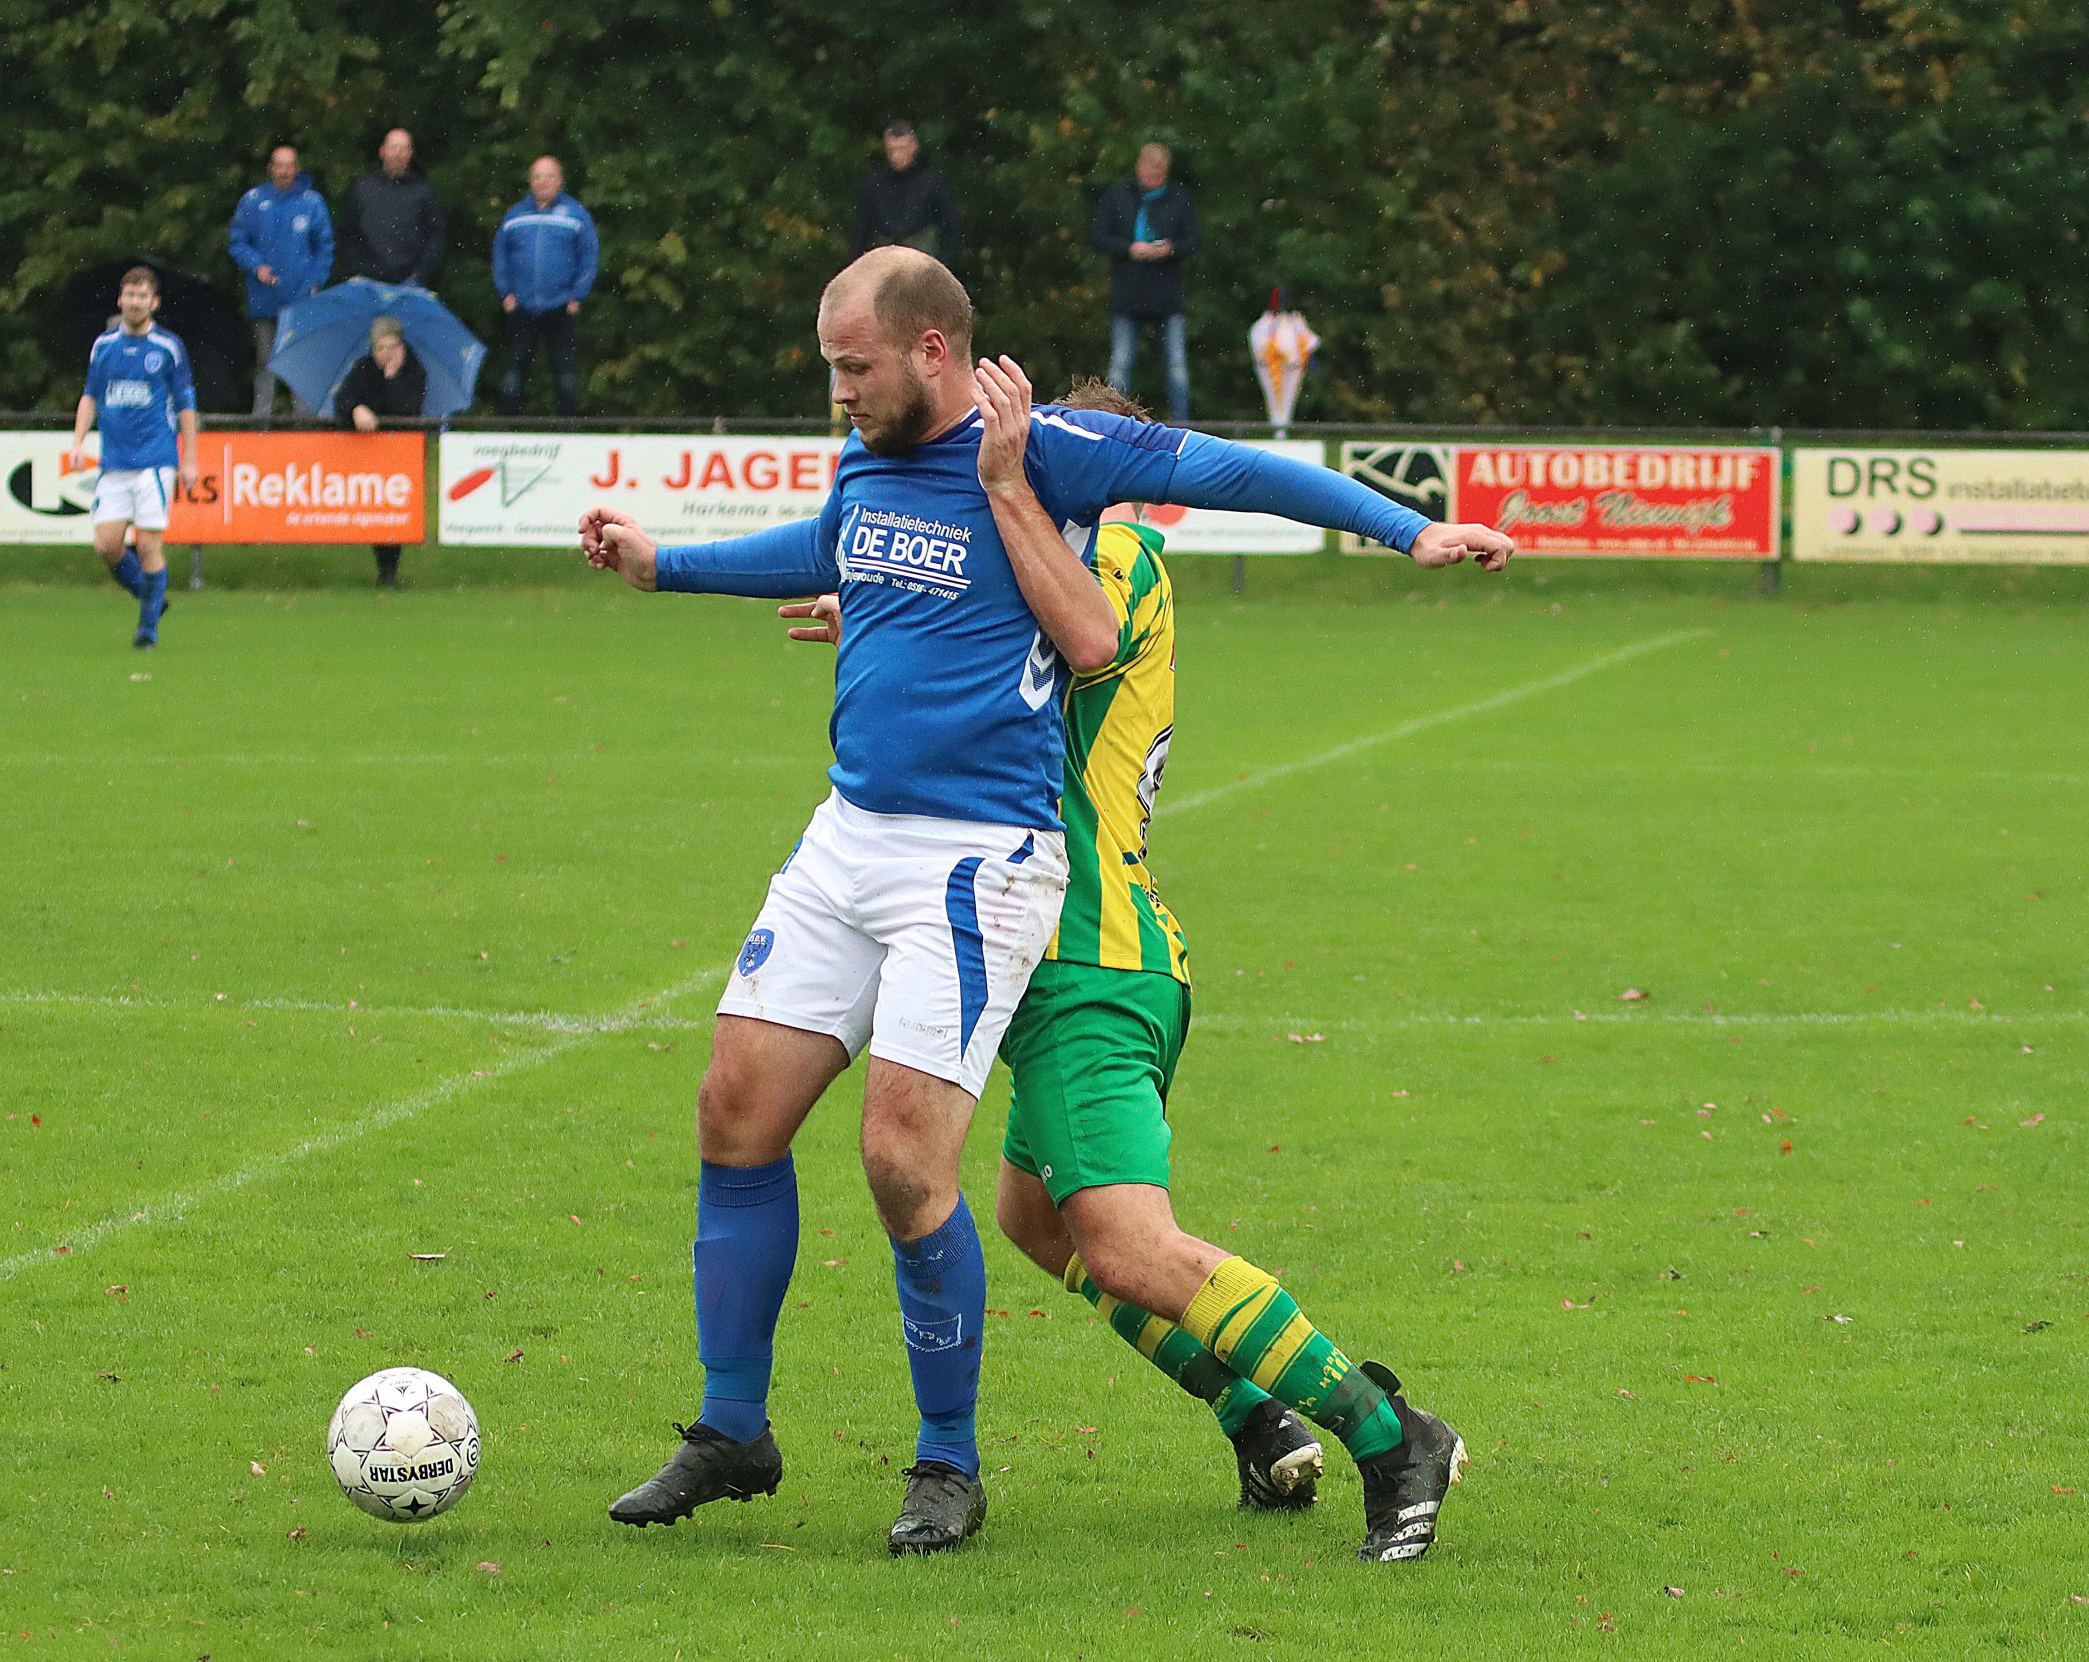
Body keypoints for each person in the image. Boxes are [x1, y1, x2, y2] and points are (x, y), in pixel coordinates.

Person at [578, 247, 1511, 1556]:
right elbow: (850, 543)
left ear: (935, 352)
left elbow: (1184, 529)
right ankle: (739, 1426)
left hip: (1015, 885)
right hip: (854, 834)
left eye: (854, 366)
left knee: (960, 1182)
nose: (838, 389)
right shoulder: (870, 455)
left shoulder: (1067, 482)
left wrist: (1407, 528)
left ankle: (989, 1460)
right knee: (769, 1119)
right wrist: (673, 567)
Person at [776, 379, 1469, 1561]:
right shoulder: (1070, 557)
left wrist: (948, 579)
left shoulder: (1122, 553)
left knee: (1131, 1246)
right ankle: (1257, 1417)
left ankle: (1390, 1434)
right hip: (1059, 955)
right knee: (1036, 1223)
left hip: (1086, 962)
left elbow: (1060, 624)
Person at [73, 266, 199, 649]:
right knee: (107, 545)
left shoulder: (168, 348)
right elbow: (90, 395)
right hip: (114, 462)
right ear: (120, 299)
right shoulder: (104, 346)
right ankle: (151, 597)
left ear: (154, 303)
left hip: (154, 462)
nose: (135, 302)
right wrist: (78, 442)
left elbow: (186, 405)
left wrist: (190, 459)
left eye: (142, 296)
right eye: (130, 294)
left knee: (147, 546)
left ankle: (147, 632)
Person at [1088, 143, 1200, 420]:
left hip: (1167, 296)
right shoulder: (1119, 196)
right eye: (1148, 173)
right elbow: (1098, 235)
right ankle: (1112, 421)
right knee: (1120, 364)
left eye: (1158, 175)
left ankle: (1182, 423)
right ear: (1139, 168)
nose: (1152, 179)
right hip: (1128, 294)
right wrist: (1129, 249)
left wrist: (1170, 249)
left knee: (1177, 366)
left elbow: (1194, 240)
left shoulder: (1179, 199)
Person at [228, 144, 335, 416]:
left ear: (296, 168)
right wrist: (256, 266)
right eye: (279, 165)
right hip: (264, 298)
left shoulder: (311, 202)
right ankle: (260, 423)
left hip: (301, 298)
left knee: (301, 362)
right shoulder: (253, 201)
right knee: (265, 362)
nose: (284, 171)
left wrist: (316, 281)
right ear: (271, 168)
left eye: (289, 166)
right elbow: (238, 242)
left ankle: (304, 425)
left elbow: (324, 247)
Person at [491, 155, 598, 415]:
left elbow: (590, 255)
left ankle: (567, 431)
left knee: (565, 377)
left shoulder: (576, 214)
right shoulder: (515, 215)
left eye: (549, 176)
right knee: (514, 373)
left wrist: (578, 295)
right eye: (537, 176)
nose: (543, 182)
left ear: (560, 180)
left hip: (561, 306)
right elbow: (500, 254)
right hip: (521, 306)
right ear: (530, 181)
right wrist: (505, 292)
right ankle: (507, 431)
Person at [335, 316, 424, 588]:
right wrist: (356, 408)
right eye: (379, 348)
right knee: (375, 511)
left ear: (401, 347)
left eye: (390, 347)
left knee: (394, 513)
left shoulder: (415, 371)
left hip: (400, 452)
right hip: (369, 452)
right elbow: (342, 399)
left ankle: (389, 572)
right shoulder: (363, 368)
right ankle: (383, 570)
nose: (384, 354)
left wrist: (392, 378)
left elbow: (408, 409)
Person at [850, 120, 962, 268]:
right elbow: (860, 231)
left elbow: (952, 230)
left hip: (923, 267)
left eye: (901, 149)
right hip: (883, 267)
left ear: (914, 146)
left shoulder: (933, 183)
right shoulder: (875, 184)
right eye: (891, 150)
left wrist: (941, 268)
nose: (896, 156)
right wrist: (858, 268)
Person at [342, 129, 446, 288]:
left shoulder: (424, 192)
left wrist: (420, 273)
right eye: (394, 147)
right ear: (382, 151)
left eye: (404, 148)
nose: (398, 154)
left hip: (410, 284)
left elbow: (436, 236)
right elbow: (347, 233)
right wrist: (355, 270)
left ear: (410, 154)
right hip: (366, 283)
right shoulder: (362, 189)